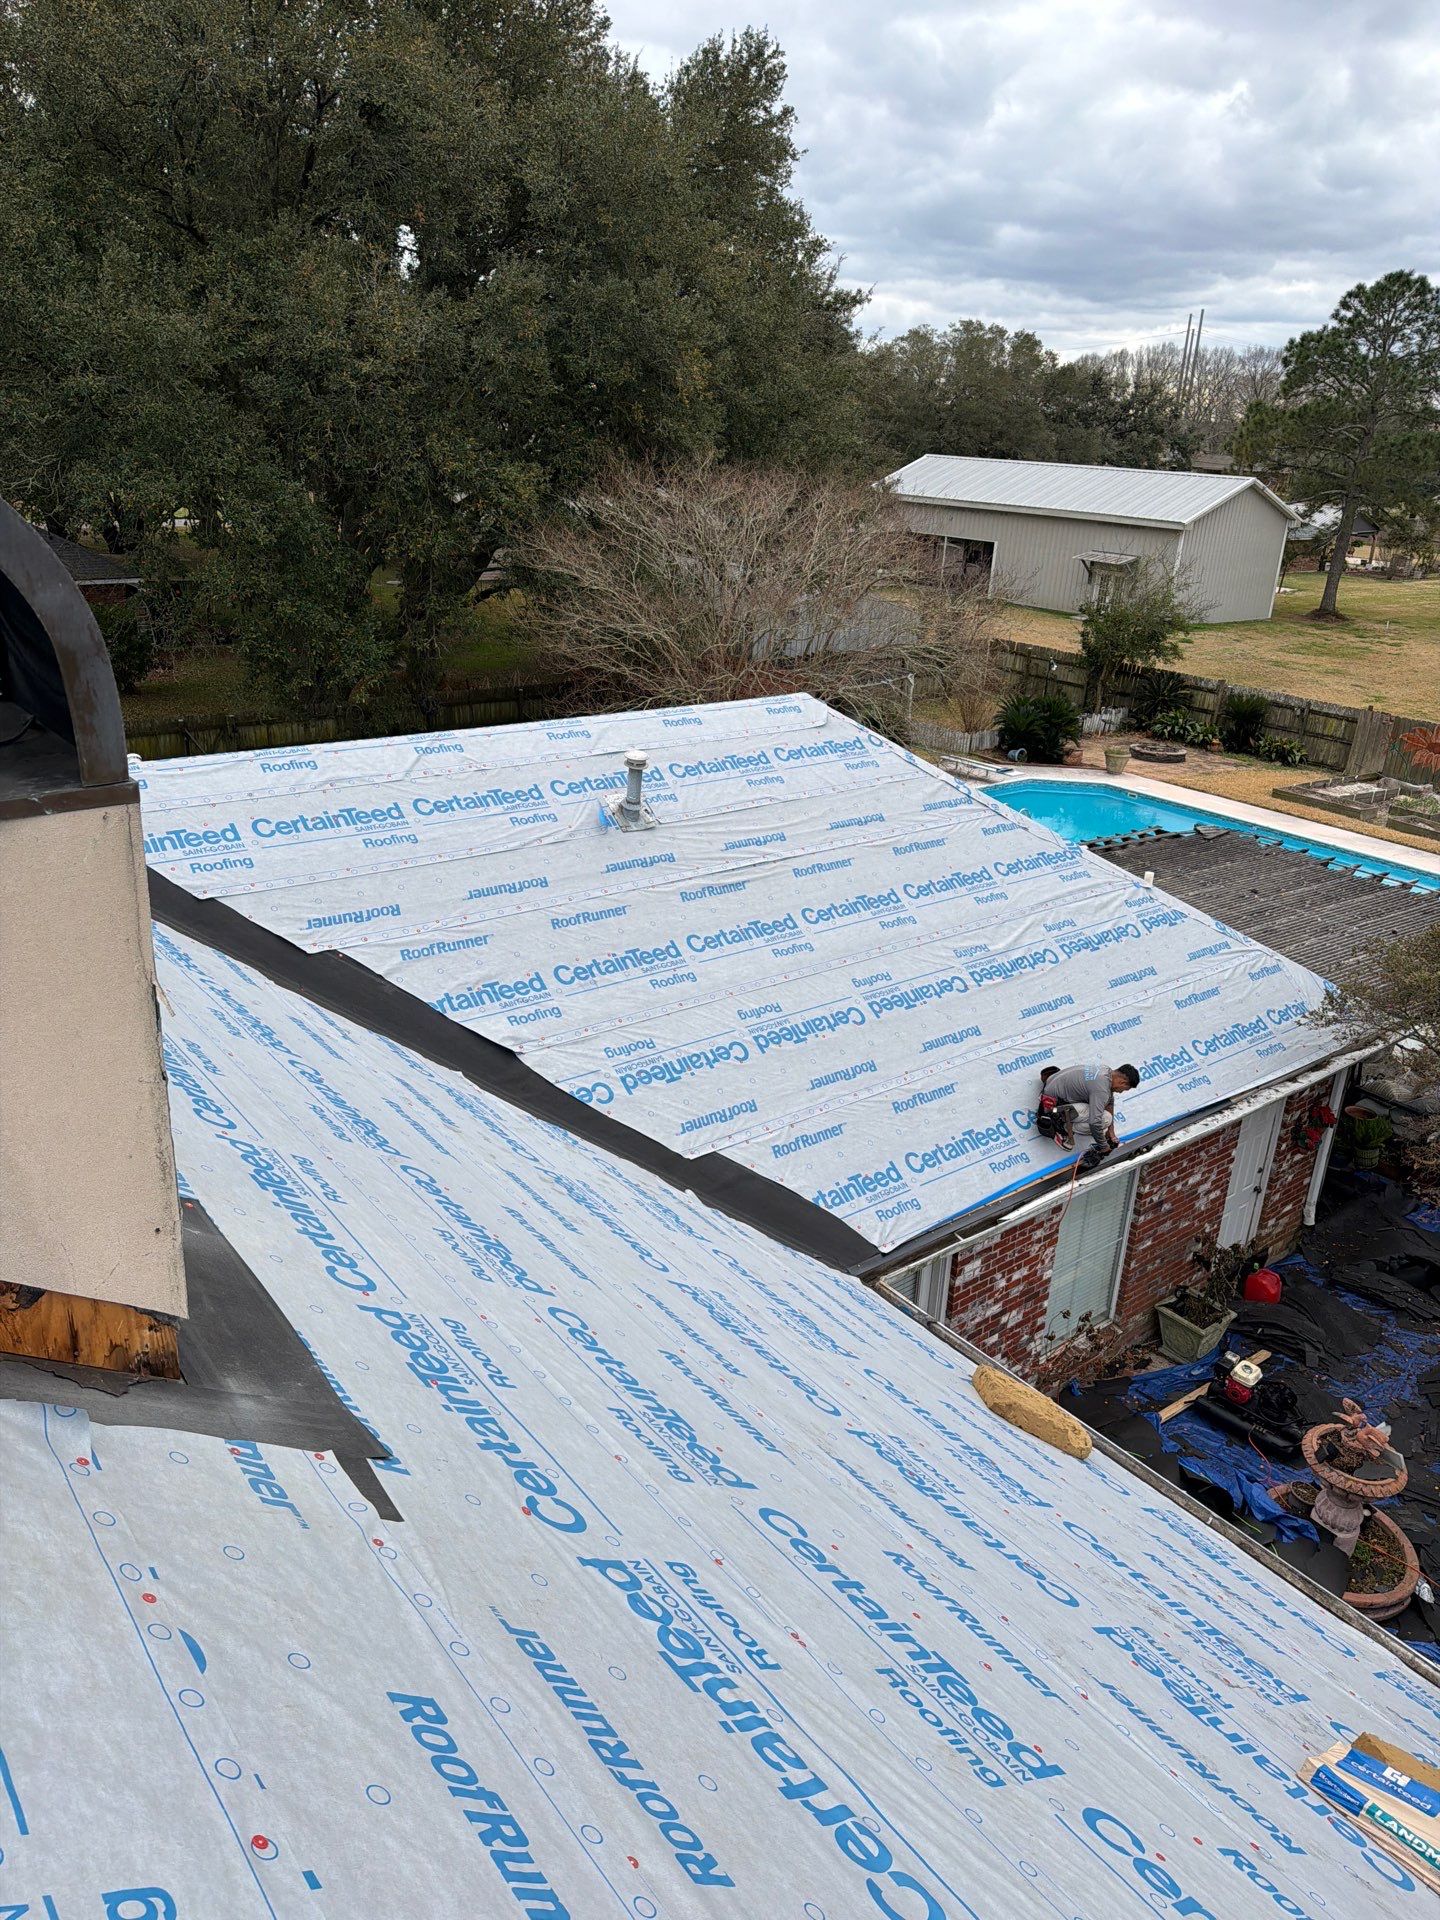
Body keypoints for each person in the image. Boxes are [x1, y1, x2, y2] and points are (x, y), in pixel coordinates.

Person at [1036, 1062, 1140, 1170]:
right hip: (1053, 1107)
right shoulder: (1101, 1089)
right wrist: (1104, 1147)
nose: (1121, 1092)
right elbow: (1094, 1122)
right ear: (1123, 1082)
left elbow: (1109, 1101)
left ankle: (1065, 1116)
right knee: (1105, 1119)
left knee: (1101, 1112)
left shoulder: (1105, 1070)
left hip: (1051, 1084)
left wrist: (1111, 1130)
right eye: (1124, 1089)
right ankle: (1063, 1127)